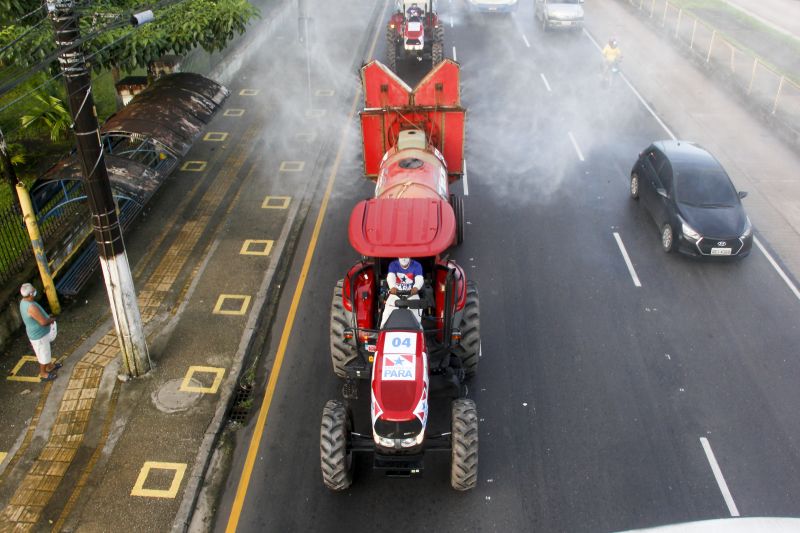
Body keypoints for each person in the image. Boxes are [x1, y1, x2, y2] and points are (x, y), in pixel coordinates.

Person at [19, 283, 60, 381]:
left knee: (46, 351)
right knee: (43, 355)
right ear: (31, 294)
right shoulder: (31, 307)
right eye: (33, 290)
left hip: (38, 333)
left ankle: (50, 366)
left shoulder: (23, 302)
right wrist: (51, 320)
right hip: (39, 335)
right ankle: (43, 373)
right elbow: (43, 322)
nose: (35, 291)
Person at [381, 257, 424, 327]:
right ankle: (382, 329)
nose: (404, 259)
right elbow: (390, 276)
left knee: (417, 309)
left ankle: (418, 328)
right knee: (388, 310)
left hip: (412, 294)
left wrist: (416, 287)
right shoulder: (393, 264)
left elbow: (419, 278)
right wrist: (392, 287)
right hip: (396, 294)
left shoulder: (416, 265)